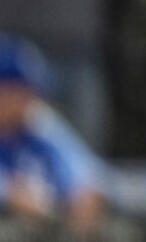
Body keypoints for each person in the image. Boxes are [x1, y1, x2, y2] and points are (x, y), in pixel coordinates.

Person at [0, 35, 107, 236]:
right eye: (21, 91)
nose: (30, 99)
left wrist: (85, 193)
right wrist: (9, 193)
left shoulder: (38, 122)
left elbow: (87, 172)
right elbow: (14, 194)